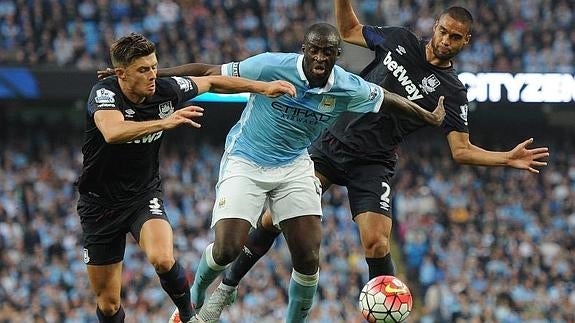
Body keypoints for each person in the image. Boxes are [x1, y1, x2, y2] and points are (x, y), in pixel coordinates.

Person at [188, 2, 551, 321]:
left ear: (465, 41)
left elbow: (461, 150)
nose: (445, 40)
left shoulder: (453, 92)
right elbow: (347, 30)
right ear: (435, 26)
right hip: (332, 144)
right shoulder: (400, 40)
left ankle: (385, 314)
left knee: (377, 242)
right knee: (271, 220)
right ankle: (227, 287)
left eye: (455, 37)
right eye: (443, 31)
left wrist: (505, 158)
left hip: (374, 163)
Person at [147, 23, 445, 323]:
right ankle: (197, 293)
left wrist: (427, 115)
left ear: (337, 55)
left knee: (308, 258)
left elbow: (385, 98)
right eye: (313, 50)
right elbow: (211, 72)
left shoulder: (346, 85)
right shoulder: (270, 65)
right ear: (304, 49)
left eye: (327, 52)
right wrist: (154, 75)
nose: (320, 58)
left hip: (295, 164)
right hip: (247, 159)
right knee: (227, 249)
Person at [77, 32, 297, 323]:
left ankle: (187, 315)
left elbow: (213, 80)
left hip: (142, 196)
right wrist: (165, 122)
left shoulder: (165, 90)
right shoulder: (105, 93)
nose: (153, 74)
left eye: (154, 66)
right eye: (143, 70)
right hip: (99, 205)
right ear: (121, 74)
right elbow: (113, 132)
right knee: (107, 304)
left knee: (163, 258)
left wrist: (263, 87)